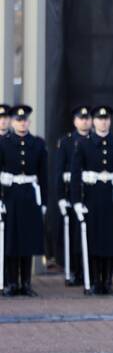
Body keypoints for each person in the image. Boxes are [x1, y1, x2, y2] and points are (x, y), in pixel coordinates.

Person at [70, 106, 113, 295]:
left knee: (110, 240)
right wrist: (77, 201)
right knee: (94, 241)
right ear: (93, 121)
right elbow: (75, 174)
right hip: (92, 196)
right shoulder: (84, 144)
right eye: (99, 119)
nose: (103, 122)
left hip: (112, 198)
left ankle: (108, 281)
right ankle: (96, 280)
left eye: (106, 119)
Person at [1, 105, 47, 296]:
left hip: (30, 195)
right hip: (10, 195)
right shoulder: (3, 143)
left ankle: (26, 283)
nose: (22, 123)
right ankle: (11, 282)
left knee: (27, 240)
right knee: (12, 240)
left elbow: (43, 174)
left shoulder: (37, 143)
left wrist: (43, 201)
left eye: (25, 120)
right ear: (12, 122)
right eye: (18, 120)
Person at [54, 106, 93, 288]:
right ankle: (74, 271)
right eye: (81, 118)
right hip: (72, 193)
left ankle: (89, 271)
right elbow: (59, 170)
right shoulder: (67, 142)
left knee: (91, 235)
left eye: (87, 118)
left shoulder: (95, 140)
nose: (85, 121)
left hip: (92, 193)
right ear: (75, 121)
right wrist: (61, 196)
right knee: (74, 236)